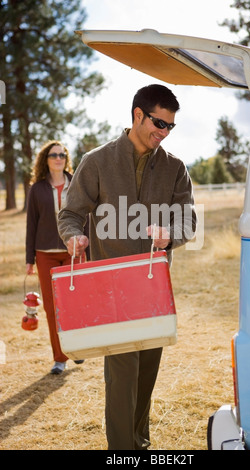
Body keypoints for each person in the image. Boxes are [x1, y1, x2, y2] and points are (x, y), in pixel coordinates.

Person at [57, 84, 197, 450]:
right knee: (123, 375)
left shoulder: (175, 168)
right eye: (158, 123)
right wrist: (74, 237)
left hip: (153, 288)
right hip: (111, 289)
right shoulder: (97, 161)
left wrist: (171, 234)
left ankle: (140, 443)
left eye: (169, 127)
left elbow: (188, 222)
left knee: (147, 371)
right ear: (138, 115)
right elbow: (71, 214)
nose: (163, 133)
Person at [25, 140, 88, 375]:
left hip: (75, 253)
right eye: (53, 154)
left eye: (62, 154)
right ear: (46, 159)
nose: (58, 158)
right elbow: (31, 223)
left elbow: (87, 218)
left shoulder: (77, 183)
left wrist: (88, 252)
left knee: (76, 304)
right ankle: (59, 358)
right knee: (52, 309)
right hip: (45, 254)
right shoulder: (37, 189)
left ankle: (78, 349)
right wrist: (29, 258)